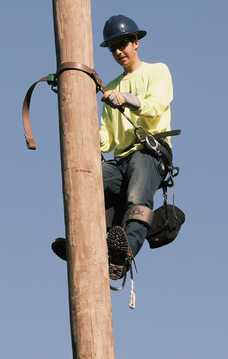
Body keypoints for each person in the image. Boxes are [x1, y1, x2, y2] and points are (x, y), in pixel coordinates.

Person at [49, 14, 175, 280]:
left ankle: (123, 255)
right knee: (84, 182)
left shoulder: (157, 71)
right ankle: (81, 242)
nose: (119, 52)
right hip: (120, 161)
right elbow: (107, 138)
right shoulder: (113, 87)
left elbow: (155, 107)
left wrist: (125, 99)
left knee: (136, 200)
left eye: (123, 45)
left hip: (148, 153)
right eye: (114, 48)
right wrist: (81, 136)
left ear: (136, 42)